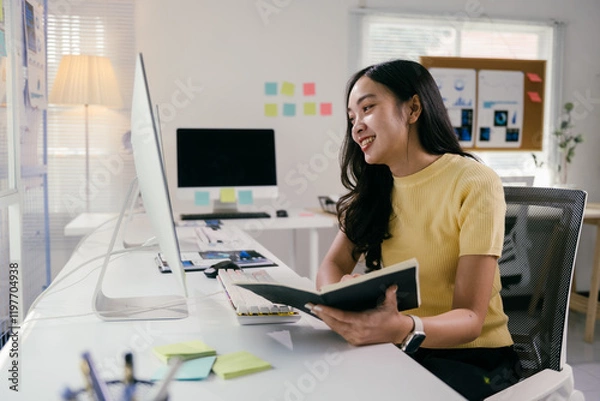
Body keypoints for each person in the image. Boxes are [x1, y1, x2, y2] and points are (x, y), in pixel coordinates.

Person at [307, 59, 521, 401]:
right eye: (352, 118)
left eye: (368, 108)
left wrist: (405, 328)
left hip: (475, 360)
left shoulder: (474, 181)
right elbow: (331, 266)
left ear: (413, 108)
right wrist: (338, 300)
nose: (357, 127)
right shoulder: (375, 190)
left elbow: (470, 319)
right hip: (402, 346)